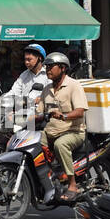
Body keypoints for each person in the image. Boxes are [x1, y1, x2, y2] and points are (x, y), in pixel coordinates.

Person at [37, 50, 89, 203]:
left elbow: (80, 111)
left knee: (60, 145)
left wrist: (64, 115)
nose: (47, 70)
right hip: (51, 132)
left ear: (63, 68)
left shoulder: (74, 85)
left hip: (73, 131)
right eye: (46, 67)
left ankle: (72, 185)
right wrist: (18, 118)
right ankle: (47, 180)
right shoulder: (46, 89)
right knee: (32, 143)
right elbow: (39, 112)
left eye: (51, 67)